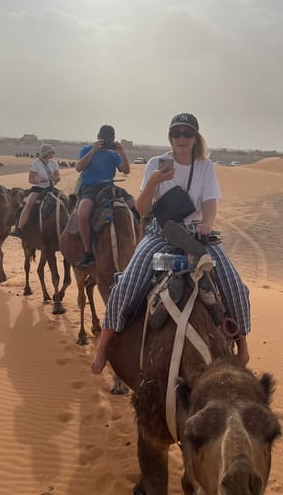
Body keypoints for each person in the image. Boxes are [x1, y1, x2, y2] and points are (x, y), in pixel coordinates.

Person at [91, 112, 250, 374]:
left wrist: (206, 224)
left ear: (196, 138)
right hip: (162, 233)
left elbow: (210, 204)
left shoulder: (204, 166)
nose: (181, 138)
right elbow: (141, 209)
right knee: (126, 284)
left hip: (198, 235)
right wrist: (155, 180)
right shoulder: (156, 163)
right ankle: (104, 346)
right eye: (176, 133)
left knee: (236, 286)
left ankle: (242, 343)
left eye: (187, 133)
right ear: (170, 137)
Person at [75, 124, 134, 268]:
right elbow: (78, 168)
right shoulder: (86, 149)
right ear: (98, 137)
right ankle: (88, 252)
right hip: (91, 188)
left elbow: (125, 170)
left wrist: (122, 152)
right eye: (104, 138)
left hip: (109, 187)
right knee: (82, 214)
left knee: (135, 206)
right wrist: (94, 150)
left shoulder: (113, 154)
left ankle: (137, 243)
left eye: (109, 139)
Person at [10, 144, 60, 238]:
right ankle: (20, 228)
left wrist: (54, 178)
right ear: (46, 153)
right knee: (29, 205)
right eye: (51, 152)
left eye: (53, 152)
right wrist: (39, 180)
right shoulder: (36, 163)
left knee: (63, 202)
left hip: (51, 188)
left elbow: (58, 177)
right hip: (38, 188)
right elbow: (31, 179)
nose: (53, 153)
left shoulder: (54, 163)